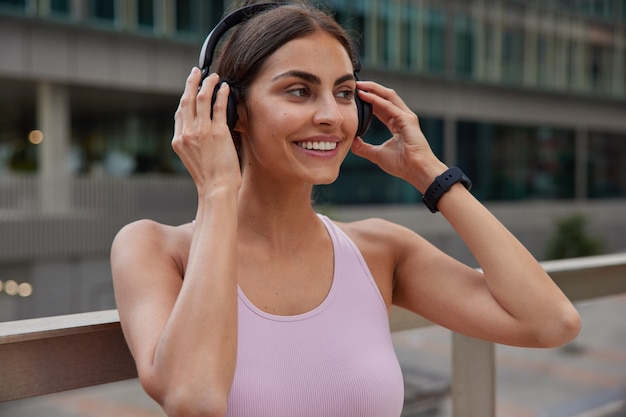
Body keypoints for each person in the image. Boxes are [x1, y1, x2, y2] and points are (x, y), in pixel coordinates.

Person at [111, 1, 581, 416]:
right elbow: (195, 399)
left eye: (343, 92)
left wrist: (433, 176)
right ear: (231, 109)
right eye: (298, 90)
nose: (331, 116)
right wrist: (216, 190)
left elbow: (551, 322)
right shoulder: (153, 248)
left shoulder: (380, 249)